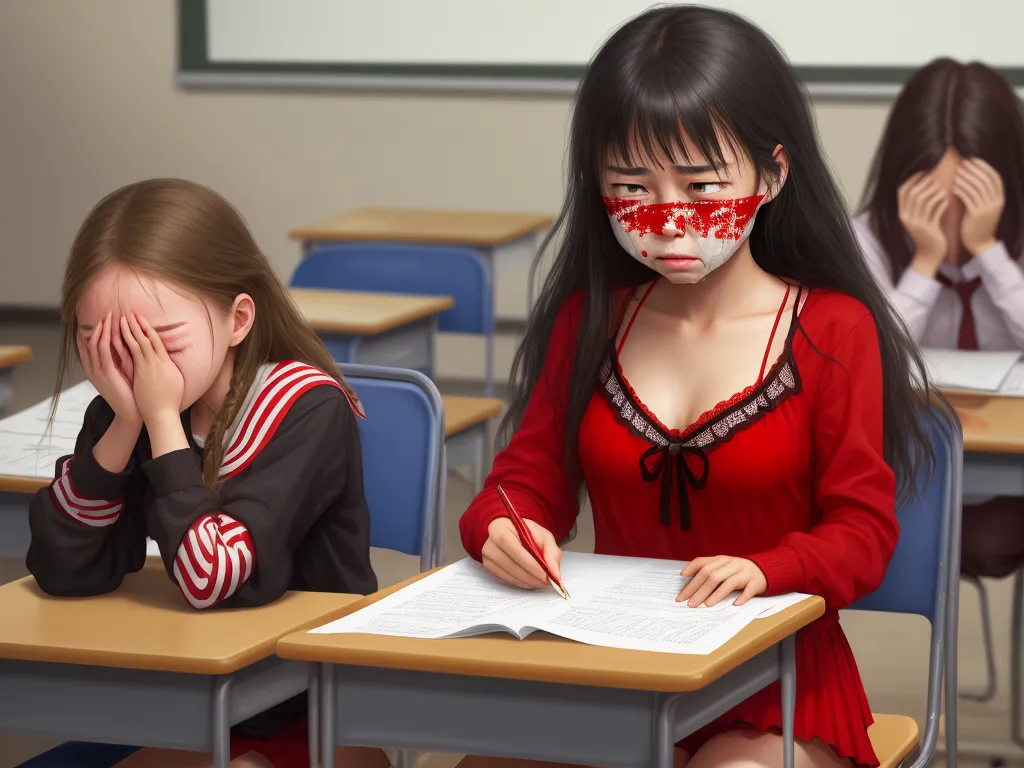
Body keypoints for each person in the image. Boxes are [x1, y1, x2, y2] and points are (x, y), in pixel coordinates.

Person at [458, 6, 943, 768]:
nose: (670, 221)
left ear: (772, 174)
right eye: (631, 185)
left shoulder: (832, 328)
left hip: (776, 673)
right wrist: (498, 526)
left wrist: (768, 567)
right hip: (615, 663)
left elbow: (863, 532)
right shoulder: (591, 319)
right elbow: (526, 482)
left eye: (704, 185)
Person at [25, 179, 390, 768]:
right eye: (102, 343)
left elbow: (212, 577)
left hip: (306, 710)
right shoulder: (125, 412)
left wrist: (162, 419)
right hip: (182, 701)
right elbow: (62, 570)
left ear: (237, 320)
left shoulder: (305, 408)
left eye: (157, 341)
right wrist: (123, 424)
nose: (134, 367)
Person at [856, 58, 1024, 582]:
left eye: (973, 201)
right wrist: (925, 264)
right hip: (905, 477)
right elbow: (867, 354)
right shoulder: (865, 238)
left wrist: (989, 251)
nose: (952, 218)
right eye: (932, 201)